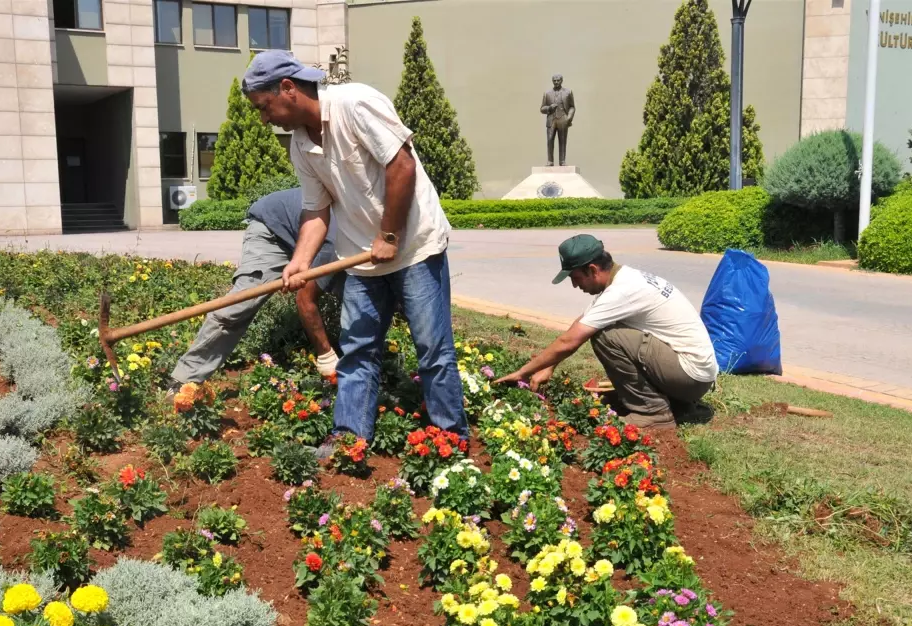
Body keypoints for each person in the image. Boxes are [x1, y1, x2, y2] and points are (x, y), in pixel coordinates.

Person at [240, 50, 467, 450]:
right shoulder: (300, 144)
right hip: (361, 257)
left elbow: (402, 165)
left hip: (414, 246)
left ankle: (452, 440)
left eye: (264, 106)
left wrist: (390, 236)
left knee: (432, 350)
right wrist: (299, 261)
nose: (264, 118)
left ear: (288, 89)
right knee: (357, 350)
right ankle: (349, 439)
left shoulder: (355, 103)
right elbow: (316, 208)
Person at [496, 234, 718, 431]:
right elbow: (582, 321)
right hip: (693, 375)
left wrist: (522, 373)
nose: (575, 286)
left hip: (690, 377)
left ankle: (652, 413)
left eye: (575, 278)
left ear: (592, 269)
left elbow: (570, 340)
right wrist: (548, 366)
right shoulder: (623, 278)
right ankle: (673, 403)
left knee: (605, 336)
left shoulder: (622, 291)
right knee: (601, 328)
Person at [168, 187, 344, 389]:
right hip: (273, 228)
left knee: (357, 296)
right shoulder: (335, 241)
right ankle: (183, 380)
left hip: (309, 228)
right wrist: (325, 355)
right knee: (240, 306)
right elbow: (305, 299)